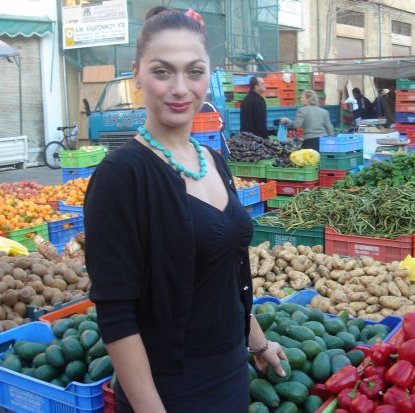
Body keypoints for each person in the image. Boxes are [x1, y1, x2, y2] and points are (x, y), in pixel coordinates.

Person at [84, 7, 286, 413]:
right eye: (162, 72)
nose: (180, 88)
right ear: (137, 74)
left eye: (194, 72)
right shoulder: (120, 176)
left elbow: (225, 272)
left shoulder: (214, 159)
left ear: (208, 75)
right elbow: (116, 314)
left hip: (230, 374)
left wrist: (258, 341)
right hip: (170, 389)